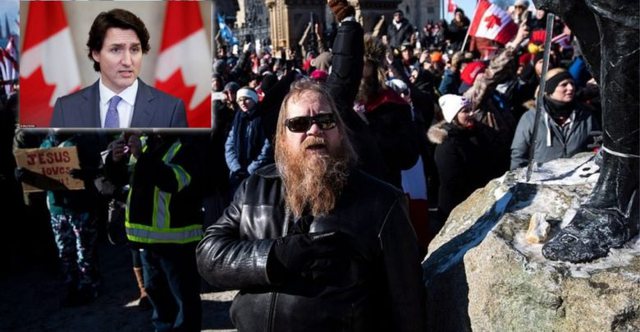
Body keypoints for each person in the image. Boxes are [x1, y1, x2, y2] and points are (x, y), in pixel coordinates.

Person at [197, 75, 426, 331]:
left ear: (339, 130)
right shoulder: (255, 187)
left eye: (325, 121)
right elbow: (209, 255)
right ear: (282, 136)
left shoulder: (381, 202)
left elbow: (407, 306)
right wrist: (274, 257)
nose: (314, 130)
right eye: (299, 124)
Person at [105, 132, 203, 331]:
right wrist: (114, 161)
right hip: (147, 241)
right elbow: (125, 178)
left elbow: (172, 182)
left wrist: (142, 157)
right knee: (159, 300)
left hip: (177, 243)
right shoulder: (145, 144)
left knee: (184, 302)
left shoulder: (188, 146)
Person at [50, 8, 187, 128]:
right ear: (96, 53)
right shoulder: (65, 109)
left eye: (134, 49)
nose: (127, 61)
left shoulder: (171, 109)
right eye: (116, 50)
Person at [428, 94, 505, 224]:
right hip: (457, 206)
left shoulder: (481, 132)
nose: (471, 113)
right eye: (465, 111)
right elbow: (452, 182)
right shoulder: (447, 145)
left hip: (484, 198)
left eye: (471, 109)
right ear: (453, 116)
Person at [510, 68, 598, 170]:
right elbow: (519, 156)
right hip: (542, 181)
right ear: (550, 89)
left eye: (572, 84)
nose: (570, 88)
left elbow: (596, 147)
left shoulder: (586, 115)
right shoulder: (531, 118)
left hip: (578, 180)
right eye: (564, 84)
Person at [224, 87, 274, 196]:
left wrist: (251, 168)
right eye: (239, 100)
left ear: (254, 100)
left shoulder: (263, 119)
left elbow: (266, 147)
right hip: (237, 173)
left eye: (246, 99)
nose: (242, 103)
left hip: (257, 173)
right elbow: (229, 145)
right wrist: (236, 167)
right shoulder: (238, 119)